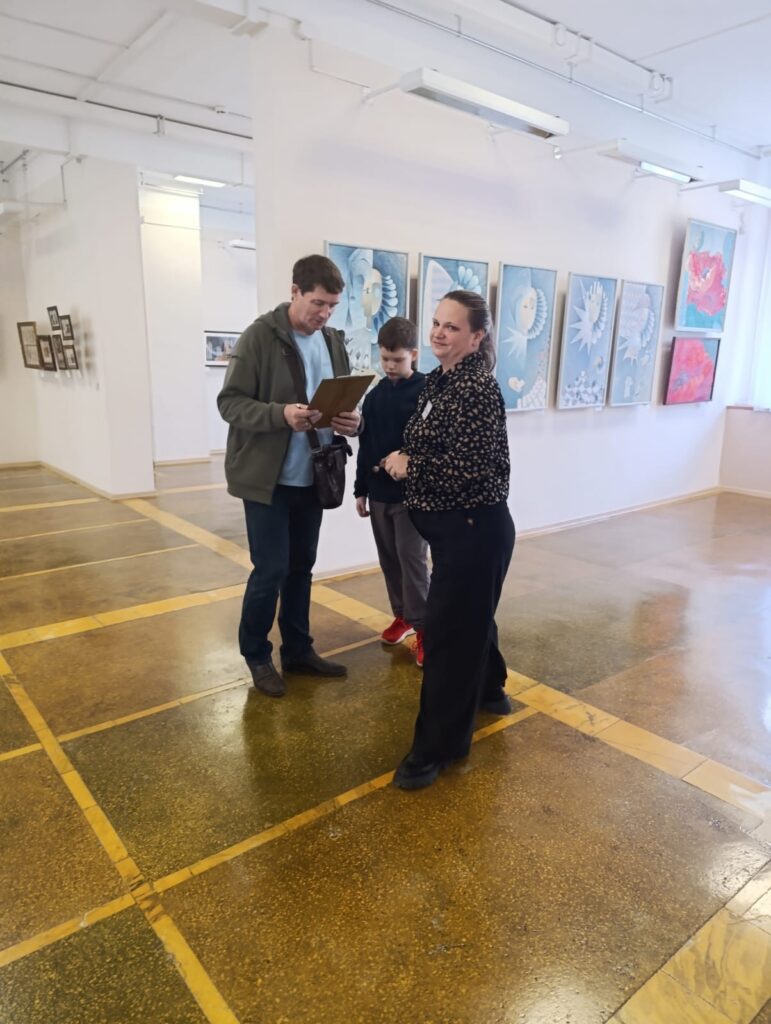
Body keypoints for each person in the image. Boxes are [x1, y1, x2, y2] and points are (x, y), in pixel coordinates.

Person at [383, 290, 514, 790]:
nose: (439, 332)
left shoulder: (476, 388)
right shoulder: (440, 380)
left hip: (474, 531)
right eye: (437, 323)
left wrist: (410, 465)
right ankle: (491, 691)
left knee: (446, 639)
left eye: (452, 327)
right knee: (470, 619)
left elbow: (471, 468)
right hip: (455, 531)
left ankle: (434, 751)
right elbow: (433, 442)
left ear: (476, 337)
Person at [218, 255, 361, 697]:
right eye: (318, 303)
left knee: (301, 568)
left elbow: (340, 398)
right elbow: (230, 403)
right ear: (294, 291)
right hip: (267, 478)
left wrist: (353, 421)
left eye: (332, 306)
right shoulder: (260, 337)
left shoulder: (332, 340)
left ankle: (298, 650)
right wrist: (280, 414)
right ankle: (256, 655)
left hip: (314, 474)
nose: (325, 314)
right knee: (271, 569)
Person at [354, 317, 429, 667]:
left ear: (413, 354)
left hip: (413, 497)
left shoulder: (427, 392)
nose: (389, 366)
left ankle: (425, 628)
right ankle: (402, 615)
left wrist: (409, 457)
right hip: (379, 494)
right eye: (384, 358)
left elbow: (432, 443)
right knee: (389, 560)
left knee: (412, 560)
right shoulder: (374, 397)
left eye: (397, 360)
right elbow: (366, 446)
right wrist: (360, 490)